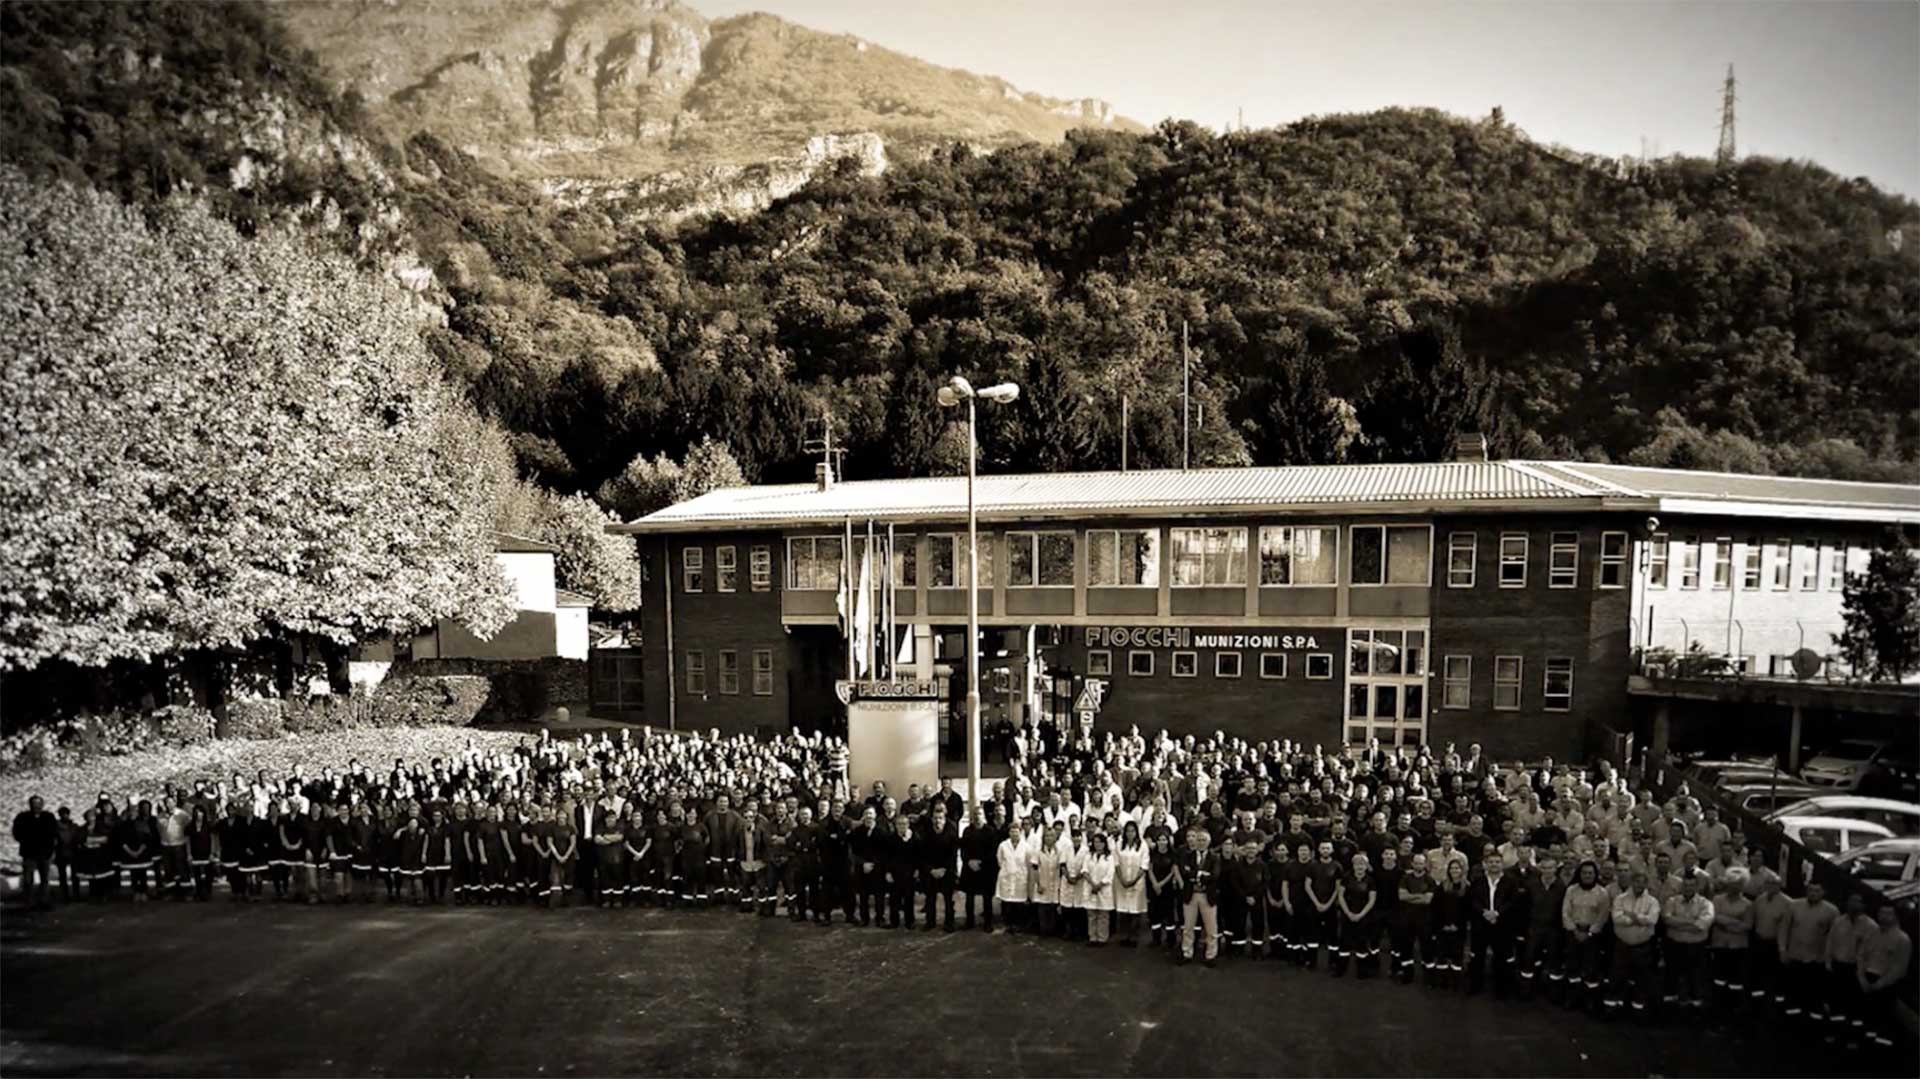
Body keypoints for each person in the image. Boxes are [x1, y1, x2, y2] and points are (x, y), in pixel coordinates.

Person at [1778, 880, 1837, 1027]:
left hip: (1815, 961)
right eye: (1811, 890)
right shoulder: (1794, 905)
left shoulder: (1832, 911)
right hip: (1794, 957)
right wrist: (1783, 950)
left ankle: (1812, 1027)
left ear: (1823, 893)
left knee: (1813, 997)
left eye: (1817, 891)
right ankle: (1790, 1024)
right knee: (1792, 994)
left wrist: (1827, 959)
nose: (1813, 893)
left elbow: (1833, 937)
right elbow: (1784, 929)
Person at [1856, 904, 1912, 1057]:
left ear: (1895, 916)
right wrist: (1861, 977)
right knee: (1866, 1015)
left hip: (1887, 983)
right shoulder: (1872, 933)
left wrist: (1880, 984)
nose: (1883, 916)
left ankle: (1883, 1051)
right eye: (1881, 912)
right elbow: (1861, 955)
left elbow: (1900, 968)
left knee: (1884, 1017)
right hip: (1867, 977)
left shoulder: (1902, 939)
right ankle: (1865, 1044)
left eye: (1888, 913)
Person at [1468, 850, 1522, 998]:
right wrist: (1484, 912)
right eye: (1491, 862)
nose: (1494, 864)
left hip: (1502, 925)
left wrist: (1497, 913)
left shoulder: (1511, 881)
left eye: (1497, 862)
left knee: (1501, 957)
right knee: (1477, 956)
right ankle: (1475, 986)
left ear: (1502, 864)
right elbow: (1472, 900)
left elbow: (1513, 901)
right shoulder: (1477, 881)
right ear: (1485, 864)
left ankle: (1501, 989)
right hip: (1481, 923)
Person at [1609, 868, 1661, 1018]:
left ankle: (1638, 1009)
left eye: (1642, 882)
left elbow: (1652, 920)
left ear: (1646, 884)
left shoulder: (1653, 901)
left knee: (1642, 978)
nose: (1639, 884)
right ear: (1632, 882)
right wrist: (1640, 919)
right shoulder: (1620, 898)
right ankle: (1614, 1007)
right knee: (1618, 976)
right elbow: (1617, 919)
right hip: (1622, 945)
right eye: (1636, 881)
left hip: (1643, 946)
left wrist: (1631, 915)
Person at [1561, 860, 1611, 1011]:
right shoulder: (1571, 890)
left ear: (1595, 875)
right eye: (1584, 873)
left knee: (1591, 968)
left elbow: (1603, 916)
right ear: (1579, 874)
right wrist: (1574, 930)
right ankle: (1572, 997)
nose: (1587, 875)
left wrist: (1590, 933)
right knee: (1572, 967)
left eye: (1590, 873)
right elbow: (1565, 912)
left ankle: (1590, 1001)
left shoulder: (1602, 892)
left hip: (1593, 935)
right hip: (1573, 932)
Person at [1662, 870, 1715, 1010]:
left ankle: (1695, 1007)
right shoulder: (1671, 901)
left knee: (1695, 978)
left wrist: (1679, 923)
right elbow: (1667, 920)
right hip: (1674, 946)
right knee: (1672, 976)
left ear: (1697, 887)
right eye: (1685, 885)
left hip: (1696, 947)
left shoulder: (1706, 904)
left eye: (1691, 885)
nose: (1688, 888)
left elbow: (1702, 925)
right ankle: (1670, 1006)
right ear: (1681, 886)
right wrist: (1692, 921)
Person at [1707, 870, 1754, 1009]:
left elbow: (1747, 925)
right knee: (1718, 977)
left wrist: (1725, 924)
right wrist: (1734, 921)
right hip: (1719, 944)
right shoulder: (1717, 899)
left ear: (1743, 885)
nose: (1734, 887)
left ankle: (1733, 1007)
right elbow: (1714, 917)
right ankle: (1717, 1005)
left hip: (1738, 946)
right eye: (1732, 883)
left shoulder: (1748, 904)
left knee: (1735, 978)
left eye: (1738, 884)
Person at [1177, 826, 1222, 967]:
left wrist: (1195, 874)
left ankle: (1211, 955)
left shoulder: (1215, 857)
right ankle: (1186, 953)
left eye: (1204, 840)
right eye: (1199, 840)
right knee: (1188, 927)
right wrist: (1202, 875)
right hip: (1191, 895)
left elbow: (1215, 876)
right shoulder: (1187, 856)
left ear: (1209, 842)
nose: (1201, 842)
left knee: (1211, 928)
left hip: (1207, 896)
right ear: (1194, 841)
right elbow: (1184, 873)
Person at [1393, 851, 1434, 984]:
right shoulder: (1406, 877)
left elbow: (1427, 900)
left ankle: (1429, 978)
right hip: (1407, 919)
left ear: (1425, 864)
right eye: (1416, 863)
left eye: (1421, 863)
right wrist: (1419, 896)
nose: (1418, 865)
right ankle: (1407, 975)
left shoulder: (1430, 880)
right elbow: (1401, 897)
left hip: (1425, 921)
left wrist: (1411, 896)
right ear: (1412, 863)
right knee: (1406, 948)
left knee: (1426, 949)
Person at [12, 795, 58, 911]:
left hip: (45, 853)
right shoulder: (23, 817)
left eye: (38, 803)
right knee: (28, 880)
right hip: (29, 853)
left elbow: (54, 833)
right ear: (30, 804)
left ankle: (44, 901)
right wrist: (26, 841)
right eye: (34, 803)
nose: (36, 806)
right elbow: (17, 832)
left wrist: (50, 848)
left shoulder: (48, 817)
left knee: (45, 879)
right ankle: (29, 902)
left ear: (42, 804)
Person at [1338, 852, 1379, 978]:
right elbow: (1341, 896)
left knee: (1361, 944)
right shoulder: (1346, 877)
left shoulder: (1371, 880)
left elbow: (1372, 899)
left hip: (1364, 917)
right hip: (1347, 915)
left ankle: (1362, 971)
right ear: (1353, 865)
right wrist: (1348, 913)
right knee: (1344, 943)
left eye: (1362, 864)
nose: (1360, 866)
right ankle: (1341, 969)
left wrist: (1360, 915)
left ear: (1366, 866)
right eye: (1357, 864)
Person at [918, 803, 959, 931]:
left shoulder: (951, 832)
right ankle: (930, 922)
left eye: (940, 818)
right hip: (930, 871)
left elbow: (953, 854)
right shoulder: (926, 833)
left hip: (946, 870)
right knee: (930, 898)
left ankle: (949, 923)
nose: (937, 820)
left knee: (948, 899)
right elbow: (922, 854)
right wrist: (931, 870)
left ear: (944, 819)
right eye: (935, 818)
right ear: (932, 819)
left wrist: (943, 869)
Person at [960, 804, 997, 931]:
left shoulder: (990, 831)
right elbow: (963, 849)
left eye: (979, 814)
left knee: (987, 898)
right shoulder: (967, 830)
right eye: (975, 814)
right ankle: (969, 921)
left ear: (984, 816)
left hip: (985, 869)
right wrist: (969, 861)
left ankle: (988, 922)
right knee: (969, 897)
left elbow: (992, 852)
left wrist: (980, 863)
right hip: (969, 868)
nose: (977, 817)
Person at [1113, 820, 1147, 947]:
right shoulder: (1119, 844)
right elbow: (1116, 863)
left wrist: (1133, 881)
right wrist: (1122, 879)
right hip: (1121, 881)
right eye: (1128, 831)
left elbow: (1144, 865)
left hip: (1137, 882)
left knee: (1135, 911)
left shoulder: (1142, 845)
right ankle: (1124, 936)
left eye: (1132, 831)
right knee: (1123, 911)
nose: (1130, 833)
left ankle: (1134, 937)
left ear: (1136, 832)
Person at [995, 819, 1030, 933]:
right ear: (1009, 833)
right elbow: (1000, 860)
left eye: (1016, 831)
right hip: (1007, 876)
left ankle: (1018, 924)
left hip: (1020, 878)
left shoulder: (1026, 846)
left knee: (1019, 903)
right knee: (1007, 902)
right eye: (1012, 831)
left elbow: (1028, 863)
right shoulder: (1003, 845)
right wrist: (1007, 870)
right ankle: (1008, 924)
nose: (1014, 834)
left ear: (1020, 832)